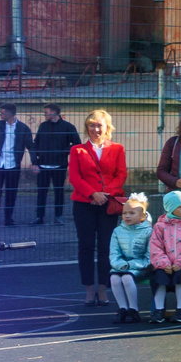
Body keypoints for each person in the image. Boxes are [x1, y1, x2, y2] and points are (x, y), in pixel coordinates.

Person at [68, 109, 127, 309]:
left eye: (99, 125)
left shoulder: (118, 148)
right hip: (84, 204)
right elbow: (75, 177)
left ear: (107, 127)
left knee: (106, 247)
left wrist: (104, 194)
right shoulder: (77, 150)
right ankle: (89, 289)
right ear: (87, 128)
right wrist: (93, 194)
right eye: (91, 125)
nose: (95, 129)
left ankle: (103, 288)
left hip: (108, 204)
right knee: (85, 246)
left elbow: (121, 175)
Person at [147, 190, 181, 323]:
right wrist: (164, 264)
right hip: (164, 266)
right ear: (171, 208)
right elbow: (156, 248)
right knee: (159, 278)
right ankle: (159, 310)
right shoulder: (159, 226)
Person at [0, 104, 32, 236]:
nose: (1, 115)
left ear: (11, 114)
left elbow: (30, 146)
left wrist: (34, 162)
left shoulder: (23, 128)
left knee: (11, 193)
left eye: (3, 113)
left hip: (13, 165)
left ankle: (8, 219)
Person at [108, 194, 153, 325]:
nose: (127, 216)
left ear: (142, 216)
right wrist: (119, 264)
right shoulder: (117, 231)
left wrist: (131, 265)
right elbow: (114, 253)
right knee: (114, 278)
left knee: (127, 278)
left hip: (141, 267)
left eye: (132, 213)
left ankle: (133, 309)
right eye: (124, 213)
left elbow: (149, 257)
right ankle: (123, 308)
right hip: (121, 266)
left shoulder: (148, 231)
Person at [31, 104, 77, 224]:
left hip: (59, 165)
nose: (44, 114)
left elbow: (77, 143)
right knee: (41, 191)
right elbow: (36, 143)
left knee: (59, 191)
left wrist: (63, 152)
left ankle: (58, 216)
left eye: (46, 112)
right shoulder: (43, 126)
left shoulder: (67, 127)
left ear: (54, 112)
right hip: (43, 165)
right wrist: (35, 162)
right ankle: (39, 217)